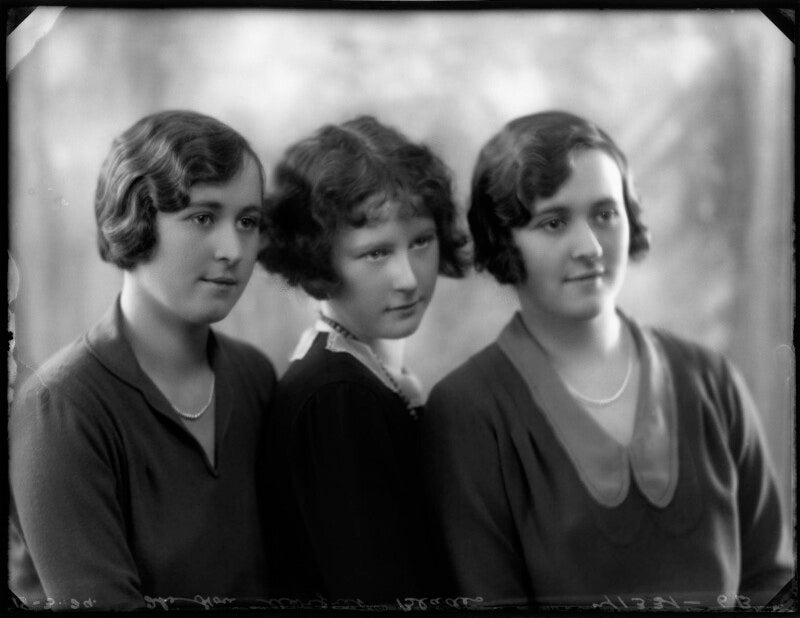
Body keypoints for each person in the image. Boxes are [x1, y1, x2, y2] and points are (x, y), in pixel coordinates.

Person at [420, 111, 792, 610]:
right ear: (503, 238)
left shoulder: (713, 381)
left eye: (605, 214)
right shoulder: (468, 411)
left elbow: (772, 579)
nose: (590, 247)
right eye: (554, 222)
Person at [9, 110, 276, 610]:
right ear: (137, 219)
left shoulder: (253, 376)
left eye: (248, 222)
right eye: (202, 217)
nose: (234, 250)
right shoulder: (61, 407)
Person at [259, 115, 468, 606]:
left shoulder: (368, 376)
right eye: (376, 254)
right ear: (317, 259)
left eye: (421, 241)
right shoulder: (336, 396)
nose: (408, 279)